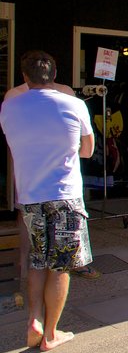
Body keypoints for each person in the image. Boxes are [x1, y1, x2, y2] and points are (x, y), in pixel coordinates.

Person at [0, 51, 95, 350]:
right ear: (54, 75)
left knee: (37, 260)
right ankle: (51, 334)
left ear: (25, 78)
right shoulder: (74, 104)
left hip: (29, 196)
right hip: (65, 195)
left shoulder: (9, 108)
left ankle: (34, 320)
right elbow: (88, 151)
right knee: (61, 265)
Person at [5, 81, 102, 281]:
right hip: (51, 180)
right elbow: (86, 147)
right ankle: (28, 264)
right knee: (55, 233)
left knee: (41, 227)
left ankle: (63, 264)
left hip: (35, 179)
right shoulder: (14, 97)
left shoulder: (15, 100)